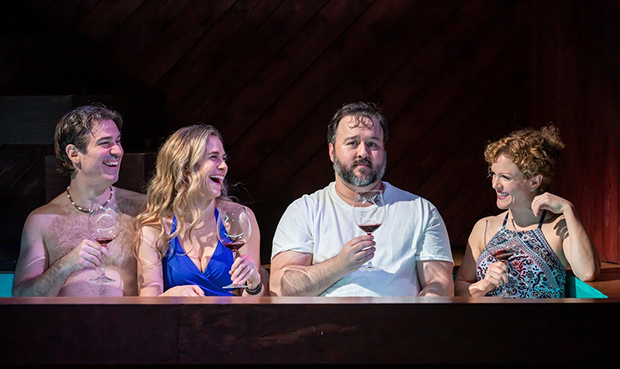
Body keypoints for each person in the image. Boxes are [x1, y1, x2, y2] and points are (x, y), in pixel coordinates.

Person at [269, 102, 454, 297]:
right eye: (352, 143)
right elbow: (280, 289)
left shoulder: (421, 211)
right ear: (332, 152)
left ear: (384, 153)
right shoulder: (304, 210)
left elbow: (440, 283)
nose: (363, 153)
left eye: (372, 144)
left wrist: (417, 312)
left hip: (398, 317)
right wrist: (340, 265)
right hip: (326, 318)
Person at [12, 104, 146, 297]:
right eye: (105, 143)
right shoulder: (41, 220)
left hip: (129, 317)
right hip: (68, 318)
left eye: (118, 141)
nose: (118, 151)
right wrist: (66, 265)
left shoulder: (142, 209)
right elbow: (22, 297)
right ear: (74, 154)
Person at [455, 123, 600, 298]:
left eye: (505, 177)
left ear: (534, 181)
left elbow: (587, 272)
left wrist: (568, 209)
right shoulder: (484, 227)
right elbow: (459, 288)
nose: (495, 184)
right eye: (493, 174)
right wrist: (484, 285)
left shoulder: (558, 227)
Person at [135, 124, 266, 297]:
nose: (223, 166)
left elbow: (252, 303)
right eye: (213, 157)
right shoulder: (155, 229)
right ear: (185, 168)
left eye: (224, 158)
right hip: (179, 315)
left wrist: (254, 285)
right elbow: (147, 305)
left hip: (232, 314)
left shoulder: (238, 218)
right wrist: (171, 296)